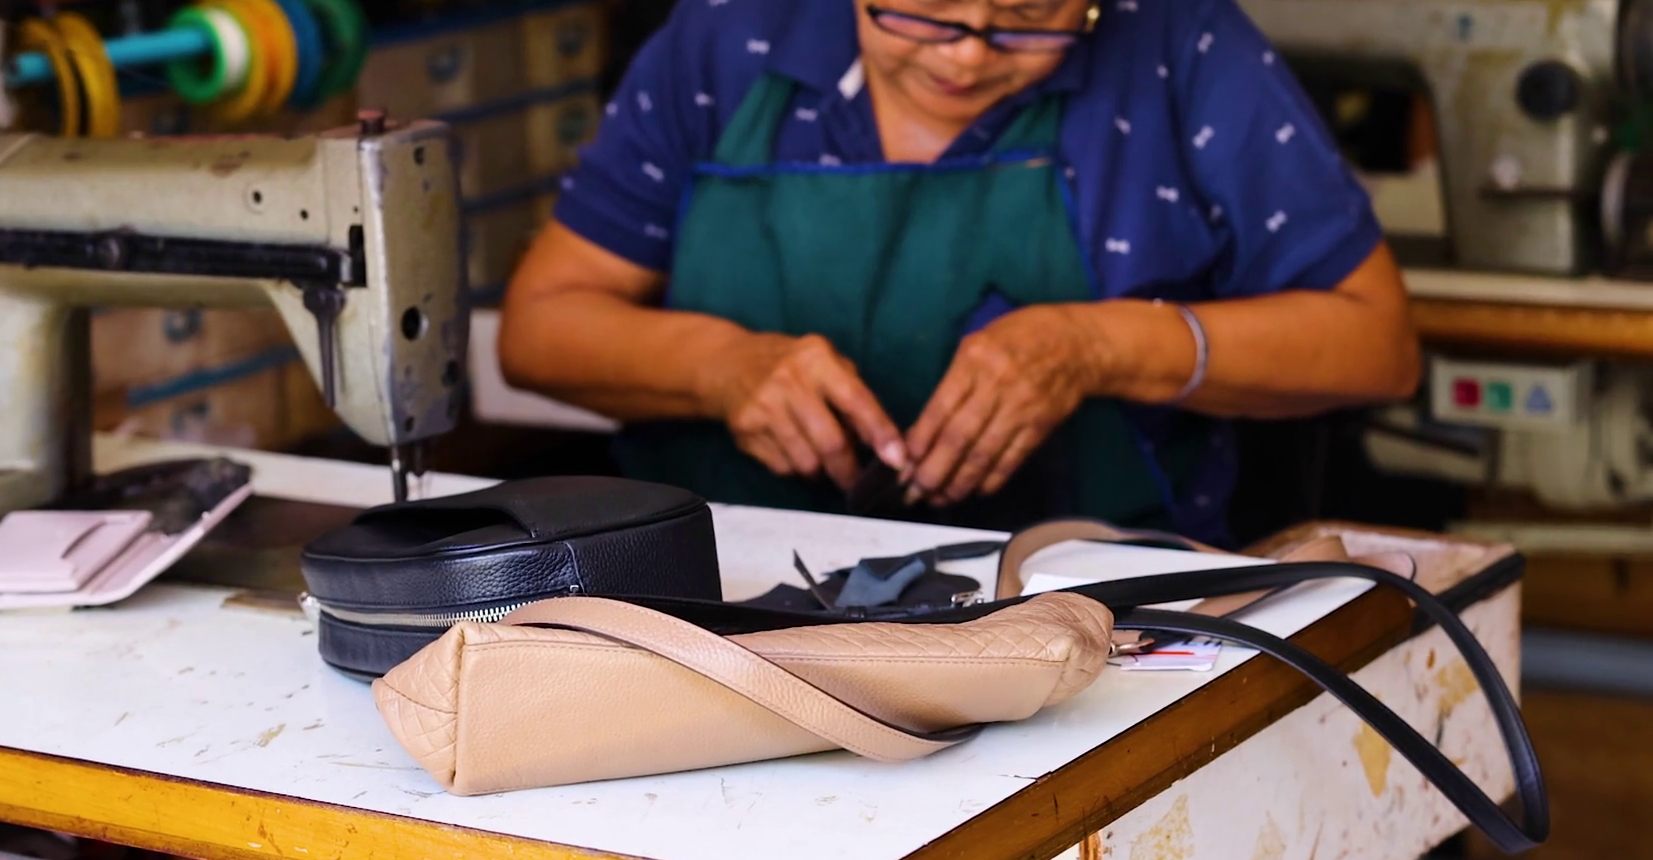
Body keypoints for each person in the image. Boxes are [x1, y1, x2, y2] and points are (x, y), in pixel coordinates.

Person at [497, 0, 1420, 545]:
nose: (969, 51)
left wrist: (1098, 345)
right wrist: (719, 368)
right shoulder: (730, 36)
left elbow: (1374, 342)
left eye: (1031, 15)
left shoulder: (1179, 44)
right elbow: (541, 327)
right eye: (925, 7)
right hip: (723, 604)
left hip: (1105, 616)